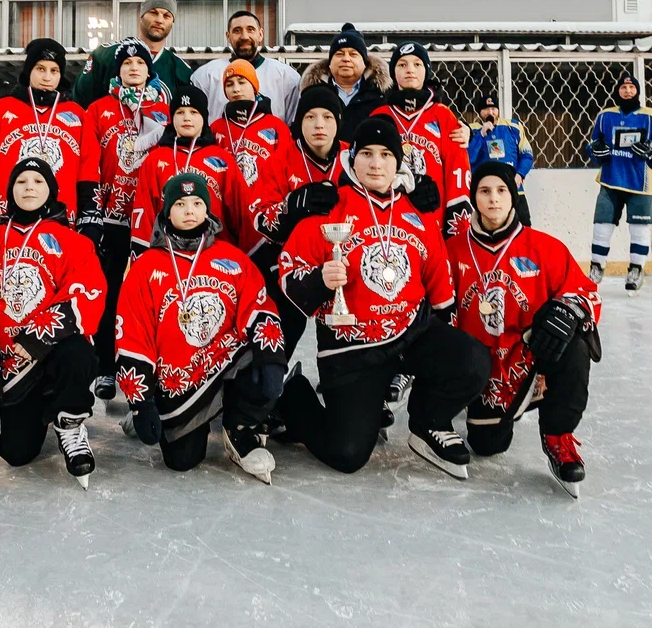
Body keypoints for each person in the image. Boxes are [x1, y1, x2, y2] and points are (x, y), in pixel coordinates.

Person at [276, 117, 491, 477]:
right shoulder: (329, 208)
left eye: (386, 155)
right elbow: (288, 280)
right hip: (352, 351)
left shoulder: (416, 212)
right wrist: (319, 281)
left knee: (472, 361)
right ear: (352, 159)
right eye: (368, 155)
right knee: (347, 454)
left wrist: (445, 329)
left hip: (410, 334)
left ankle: (427, 422)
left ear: (398, 163)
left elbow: (437, 277)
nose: (376, 164)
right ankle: (294, 396)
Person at [117, 174, 286, 483]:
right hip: (179, 379)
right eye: (180, 204)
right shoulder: (145, 267)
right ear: (167, 212)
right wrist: (141, 403)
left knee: (264, 372)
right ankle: (163, 409)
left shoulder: (233, 259)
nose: (190, 210)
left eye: (197, 203)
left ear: (208, 210)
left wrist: (272, 360)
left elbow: (260, 308)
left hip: (225, 361)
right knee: (182, 461)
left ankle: (239, 428)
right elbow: (132, 336)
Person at [446, 162, 602, 498]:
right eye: (485, 191)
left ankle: (559, 434)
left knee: (574, 340)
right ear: (474, 197)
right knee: (487, 446)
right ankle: (489, 409)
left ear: (513, 197)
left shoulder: (545, 247)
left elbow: (586, 292)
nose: (493, 199)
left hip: (533, 367)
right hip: (484, 376)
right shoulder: (454, 249)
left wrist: (570, 310)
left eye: (501, 191)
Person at [0, 158, 107, 490]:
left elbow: (87, 295)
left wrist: (36, 336)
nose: (29, 187)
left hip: (52, 350)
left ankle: (69, 422)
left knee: (80, 354)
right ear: (10, 191)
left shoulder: (73, 241)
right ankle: (44, 411)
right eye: (21, 181)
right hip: (13, 361)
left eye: (38, 181)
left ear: (52, 191)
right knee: (15, 453)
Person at [84, 38, 172, 401]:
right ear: (117, 70)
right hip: (112, 218)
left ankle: (154, 369)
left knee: (151, 297)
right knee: (109, 293)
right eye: (126, 62)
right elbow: (89, 159)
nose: (134, 67)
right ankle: (106, 367)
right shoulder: (99, 109)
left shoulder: (164, 109)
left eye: (140, 62)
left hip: (152, 218)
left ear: (149, 71)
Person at [248, 84, 346, 357]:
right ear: (298, 122)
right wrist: (291, 208)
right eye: (309, 117)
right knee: (282, 336)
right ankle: (272, 382)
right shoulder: (279, 160)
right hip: (292, 264)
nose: (319, 125)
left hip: (345, 266)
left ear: (338, 121)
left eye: (327, 117)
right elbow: (259, 218)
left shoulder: (355, 157)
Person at [0, 38, 98, 232]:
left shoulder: (77, 115)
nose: (47, 77)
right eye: (40, 69)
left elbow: (89, 167)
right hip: (7, 221)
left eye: (54, 71)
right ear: (28, 71)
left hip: (62, 222)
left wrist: (89, 215)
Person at [586, 72, 652, 292]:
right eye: (623, 88)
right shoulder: (605, 116)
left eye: (632, 88)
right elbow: (592, 145)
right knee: (601, 226)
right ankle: (596, 268)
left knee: (639, 229)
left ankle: (636, 269)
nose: (627, 91)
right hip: (610, 181)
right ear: (618, 91)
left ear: (637, 91)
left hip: (642, 184)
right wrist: (595, 151)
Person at [372, 42, 474, 239]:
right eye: (402, 65)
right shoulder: (380, 115)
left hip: (434, 219)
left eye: (417, 64)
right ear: (393, 72)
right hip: (390, 220)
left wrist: (457, 220)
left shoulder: (443, 115)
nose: (410, 70)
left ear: (426, 71)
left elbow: (458, 167)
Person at [130, 84, 245, 256]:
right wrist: (141, 255)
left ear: (204, 117)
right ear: (172, 117)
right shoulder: (155, 159)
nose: (186, 118)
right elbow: (144, 210)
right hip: (167, 254)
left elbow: (241, 213)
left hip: (216, 253)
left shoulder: (223, 159)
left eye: (193, 112)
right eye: (180, 112)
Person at [74, 0, 194, 108]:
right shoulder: (106, 54)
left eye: (166, 16)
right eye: (153, 12)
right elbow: (80, 105)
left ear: (172, 22)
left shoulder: (180, 69)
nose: (159, 20)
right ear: (141, 16)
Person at [189, 10, 301, 123]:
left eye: (250, 29)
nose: (244, 36)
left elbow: (293, 125)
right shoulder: (206, 75)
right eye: (237, 31)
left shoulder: (286, 76)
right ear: (228, 36)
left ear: (261, 34)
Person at [299, 24, 390, 143]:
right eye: (339, 54)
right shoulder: (312, 95)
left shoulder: (384, 94)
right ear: (330, 63)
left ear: (365, 63)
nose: (346, 59)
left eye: (353, 54)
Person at [209, 59, 291, 188]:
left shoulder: (276, 126)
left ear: (254, 87)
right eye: (229, 84)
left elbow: (287, 170)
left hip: (265, 202)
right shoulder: (216, 128)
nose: (236, 89)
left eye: (241, 82)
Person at [468, 94, 534, 226]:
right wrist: (481, 134)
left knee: (524, 228)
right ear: (479, 112)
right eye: (486, 109)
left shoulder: (513, 126)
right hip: (486, 192)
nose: (490, 112)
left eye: (493, 109)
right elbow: (469, 158)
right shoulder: (471, 129)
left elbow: (527, 154)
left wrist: (520, 174)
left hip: (514, 189)